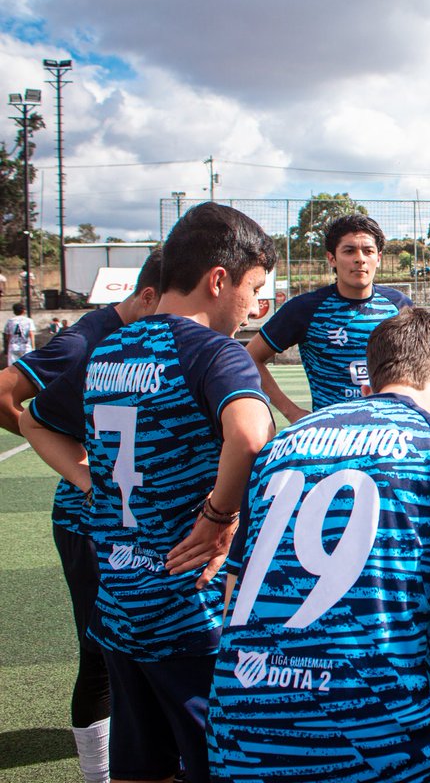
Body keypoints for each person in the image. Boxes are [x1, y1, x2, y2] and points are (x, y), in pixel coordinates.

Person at [207, 308, 430, 783]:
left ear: (370, 381)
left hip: (240, 732)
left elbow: (234, 594)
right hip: (375, 743)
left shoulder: (282, 447)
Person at [21, 202, 278, 783]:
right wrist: (219, 516)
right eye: (253, 288)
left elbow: (34, 419)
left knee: (141, 768)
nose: (255, 306)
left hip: (119, 601)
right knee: (222, 765)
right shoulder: (213, 352)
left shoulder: (107, 350)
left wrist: (91, 481)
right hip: (192, 611)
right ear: (219, 280)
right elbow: (251, 437)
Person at [0, 250, 162, 783]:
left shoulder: (148, 342)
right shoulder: (84, 339)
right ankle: (98, 772)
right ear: (147, 296)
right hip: (89, 519)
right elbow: (6, 393)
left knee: (151, 640)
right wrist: (80, 466)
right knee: (101, 648)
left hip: (137, 516)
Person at [247, 213, 412, 423]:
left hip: (389, 431)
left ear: (378, 258)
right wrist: (292, 412)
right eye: (349, 250)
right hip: (330, 437)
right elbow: (250, 357)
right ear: (331, 258)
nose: (360, 258)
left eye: (368, 251)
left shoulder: (400, 306)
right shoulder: (306, 309)